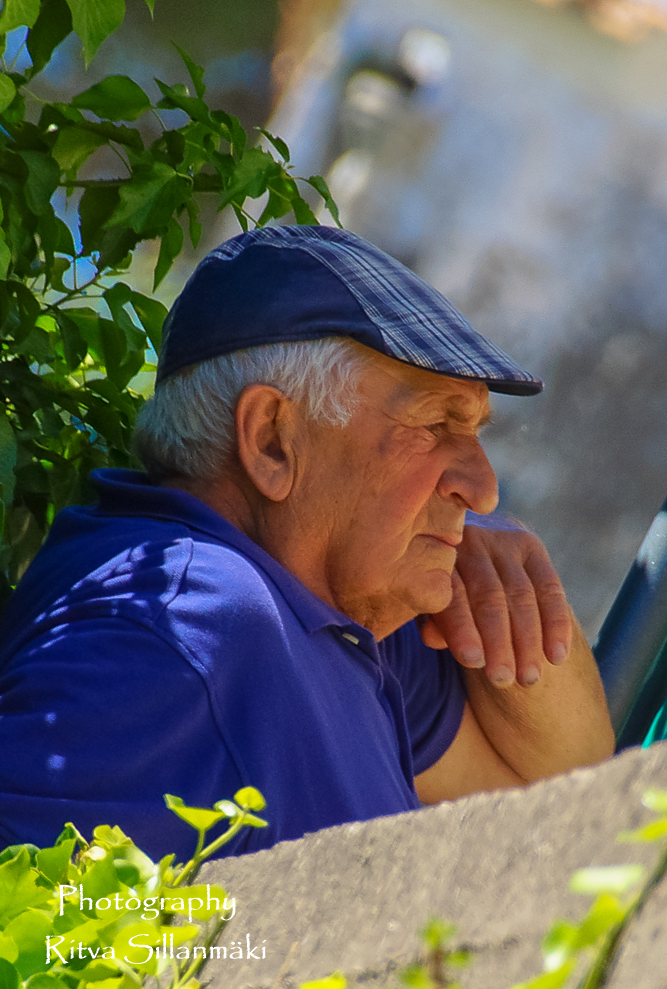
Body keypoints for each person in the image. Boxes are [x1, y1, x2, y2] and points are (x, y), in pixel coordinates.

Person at [0, 226, 614, 861]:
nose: (484, 490)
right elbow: (31, 929)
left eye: (475, 433)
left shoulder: (333, 608)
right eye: (435, 425)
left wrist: (510, 587)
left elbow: (562, 791)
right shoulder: (188, 628)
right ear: (271, 440)